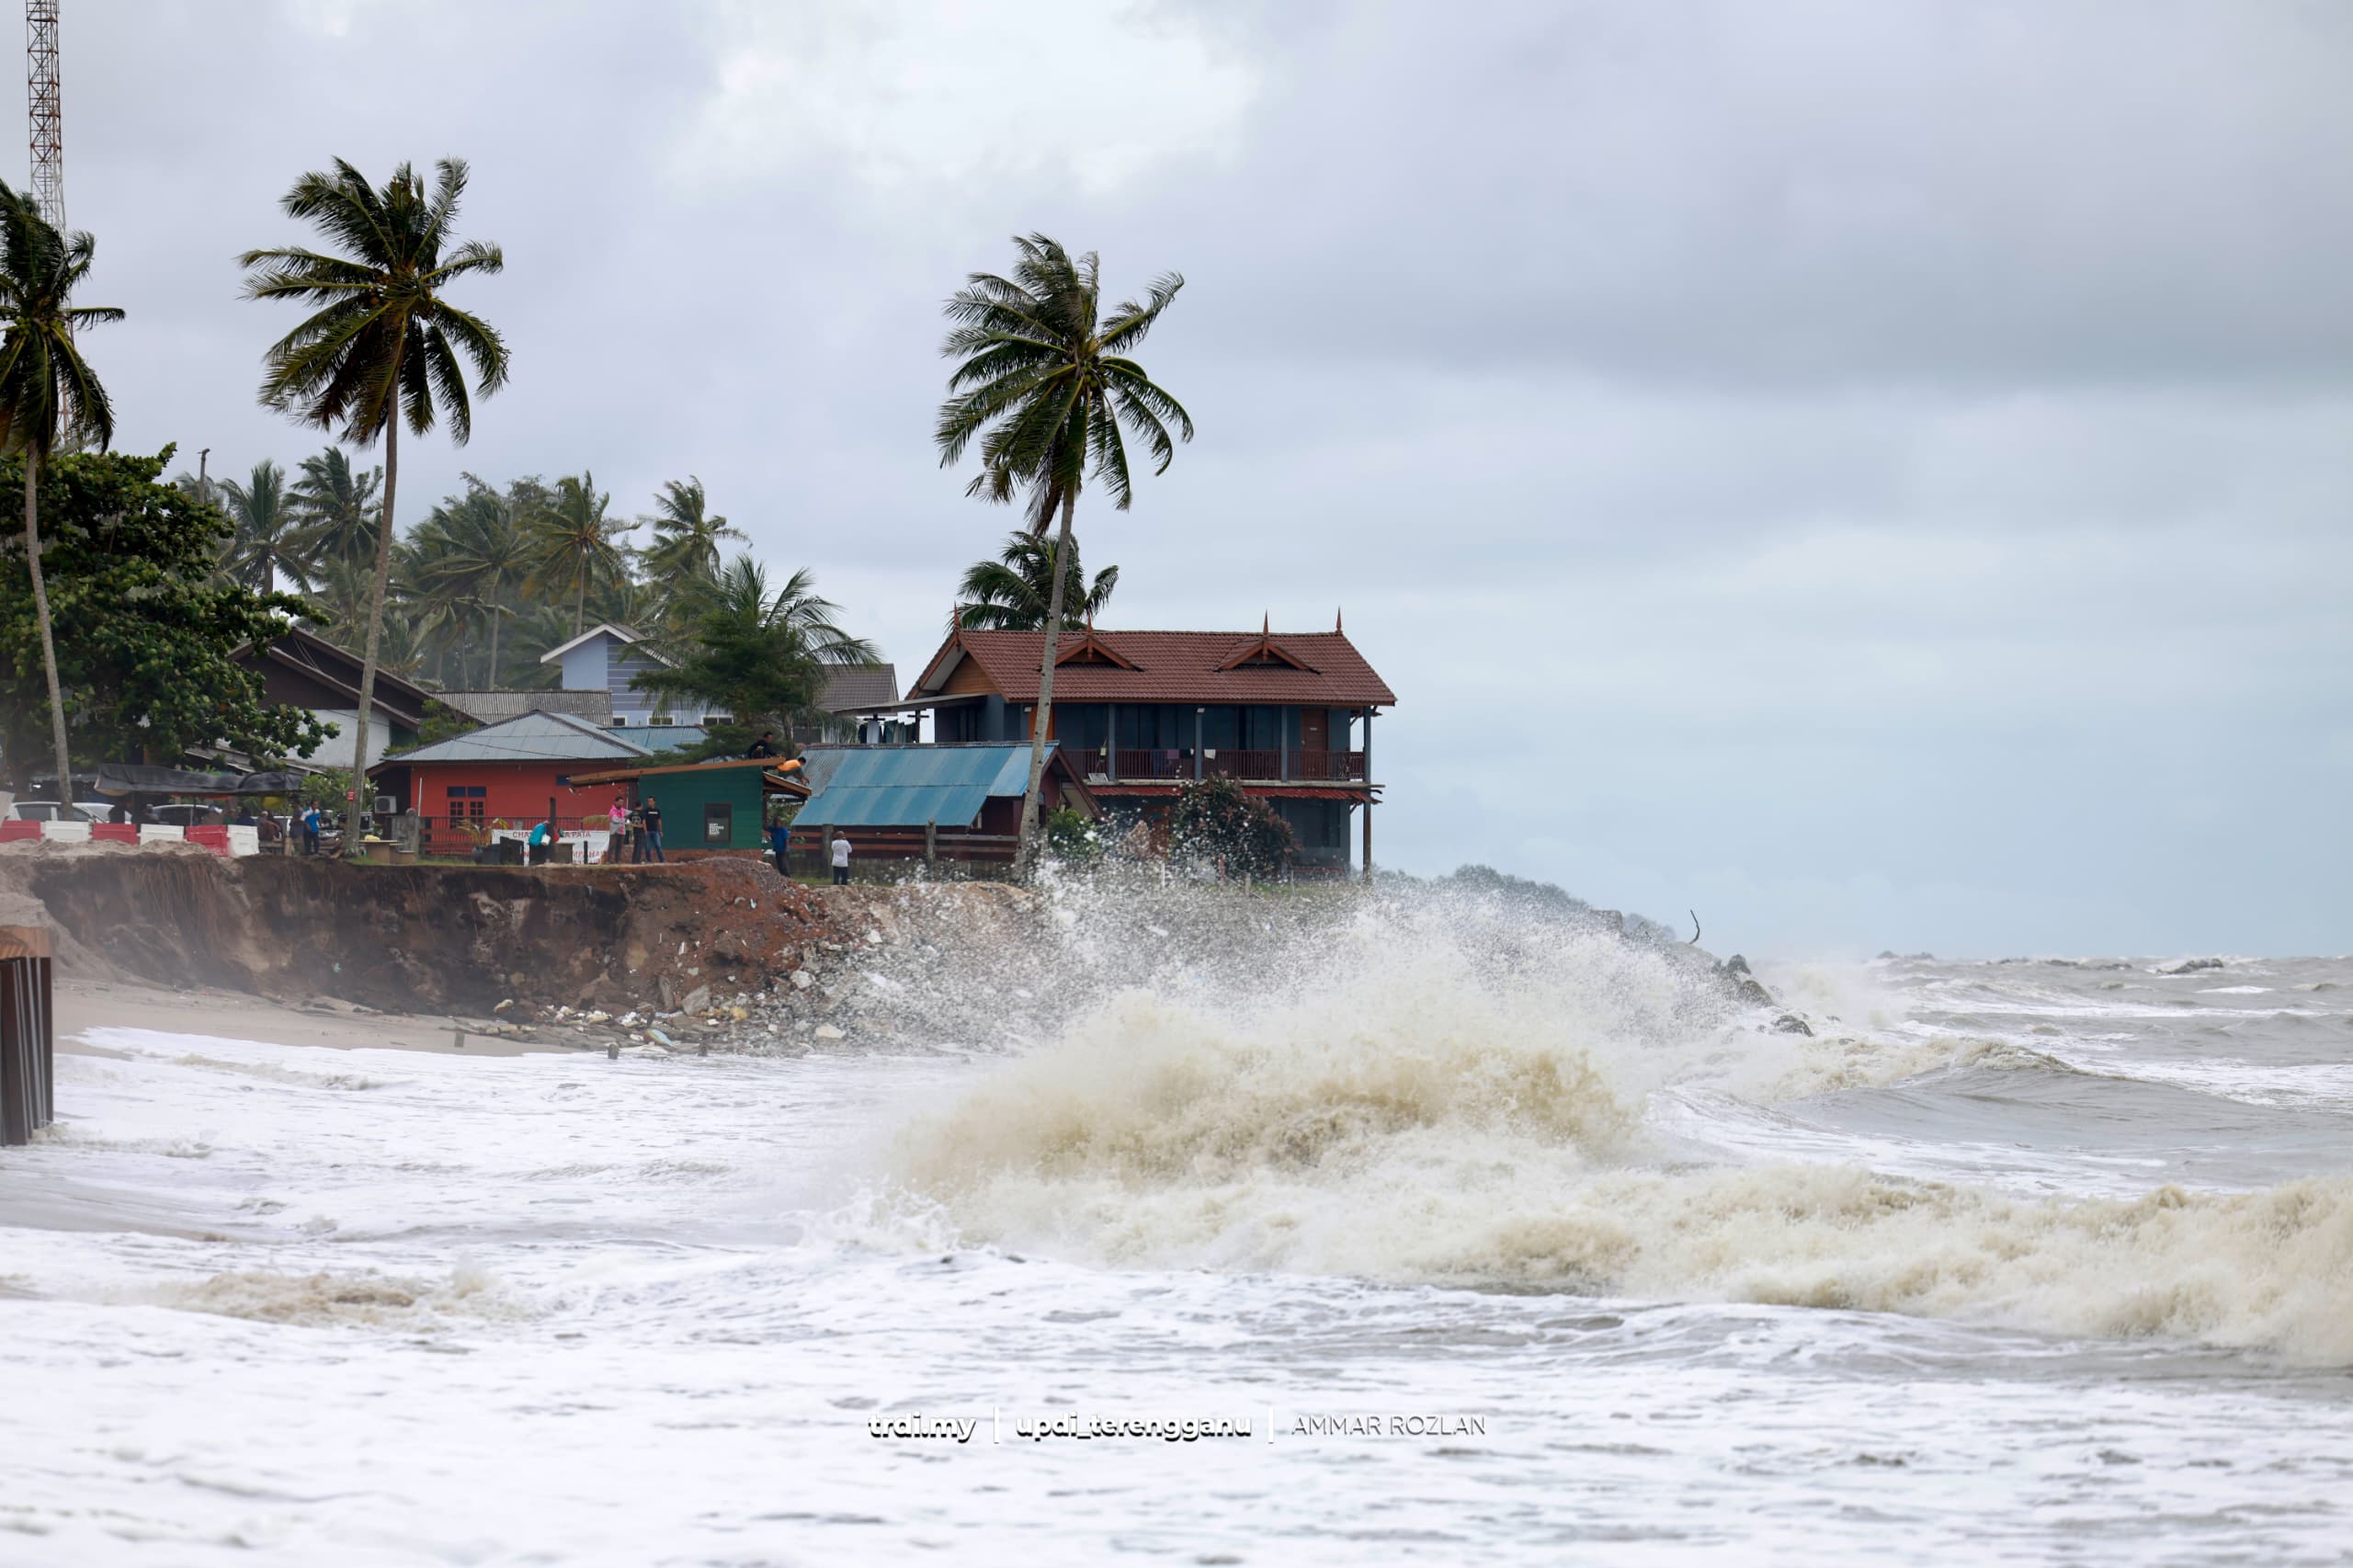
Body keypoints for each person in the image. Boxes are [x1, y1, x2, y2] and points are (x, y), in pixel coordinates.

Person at [641, 796, 666, 863]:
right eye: (648, 801)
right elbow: (644, 821)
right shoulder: (646, 811)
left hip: (655, 831)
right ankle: (649, 860)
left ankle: (662, 860)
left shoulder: (657, 810)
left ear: (654, 802)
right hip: (648, 831)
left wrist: (661, 831)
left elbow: (659, 821)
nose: (649, 803)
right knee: (647, 847)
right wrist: (645, 830)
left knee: (658, 846)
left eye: (651, 801)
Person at [607, 798, 628, 864]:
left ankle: (617, 860)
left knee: (619, 847)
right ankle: (608, 861)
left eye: (622, 802)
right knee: (612, 846)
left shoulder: (623, 810)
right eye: (620, 802)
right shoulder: (612, 811)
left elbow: (630, 813)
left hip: (621, 831)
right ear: (616, 802)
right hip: (614, 831)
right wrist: (624, 819)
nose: (621, 803)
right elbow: (616, 820)